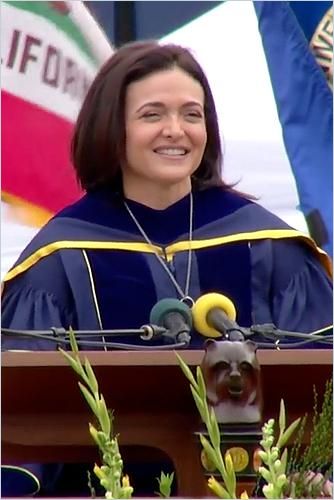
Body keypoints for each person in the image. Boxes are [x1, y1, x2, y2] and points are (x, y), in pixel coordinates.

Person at [2, 40, 332, 496]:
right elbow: (26, 419)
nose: (175, 130)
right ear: (111, 128)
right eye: (152, 114)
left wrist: (312, 476)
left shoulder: (270, 244)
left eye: (192, 115)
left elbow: (321, 388)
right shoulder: (59, 256)